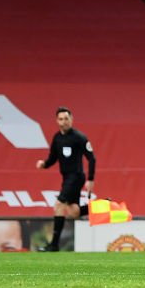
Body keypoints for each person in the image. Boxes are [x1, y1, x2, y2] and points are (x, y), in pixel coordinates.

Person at [35, 107, 96, 252]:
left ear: (71, 119)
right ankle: (104, 205)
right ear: (57, 121)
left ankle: (54, 245)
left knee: (58, 205)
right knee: (73, 212)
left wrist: (91, 179)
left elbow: (92, 158)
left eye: (66, 119)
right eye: (61, 119)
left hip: (76, 177)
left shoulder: (79, 137)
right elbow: (53, 158)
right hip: (66, 177)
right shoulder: (57, 138)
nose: (64, 122)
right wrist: (44, 164)